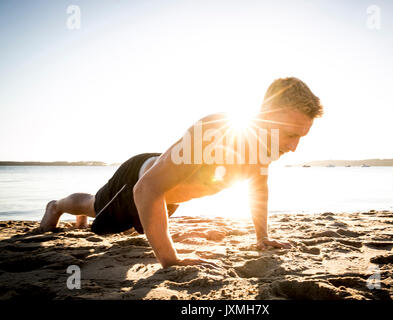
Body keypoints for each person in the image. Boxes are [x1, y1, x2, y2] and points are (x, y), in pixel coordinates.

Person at [39, 77, 324, 269]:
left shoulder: (263, 149)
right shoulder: (218, 130)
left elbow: (258, 188)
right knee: (94, 206)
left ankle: (82, 208)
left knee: (127, 224)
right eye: (290, 135)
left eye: (301, 137)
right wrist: (170, 260)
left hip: (167, 196)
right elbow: (145, 190)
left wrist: (262, 238)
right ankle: (58, 206)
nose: (294, 147)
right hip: (138, 181)